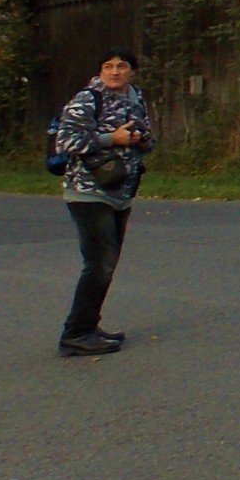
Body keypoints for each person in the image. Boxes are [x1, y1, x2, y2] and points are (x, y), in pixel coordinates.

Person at [55, 48, 155, 357]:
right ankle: (76, 334)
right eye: (107, 66)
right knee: (100, 263)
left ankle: (89, 325)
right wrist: (113, 139)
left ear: (131, 71)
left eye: (121, 66)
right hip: (88, 191)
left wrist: (140, 139)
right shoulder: (87, 100)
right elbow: (65, 141)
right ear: (99, 71)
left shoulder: (136, 99)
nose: (114, 72)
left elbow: (149, 141)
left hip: (121, 193)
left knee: (106, 264)